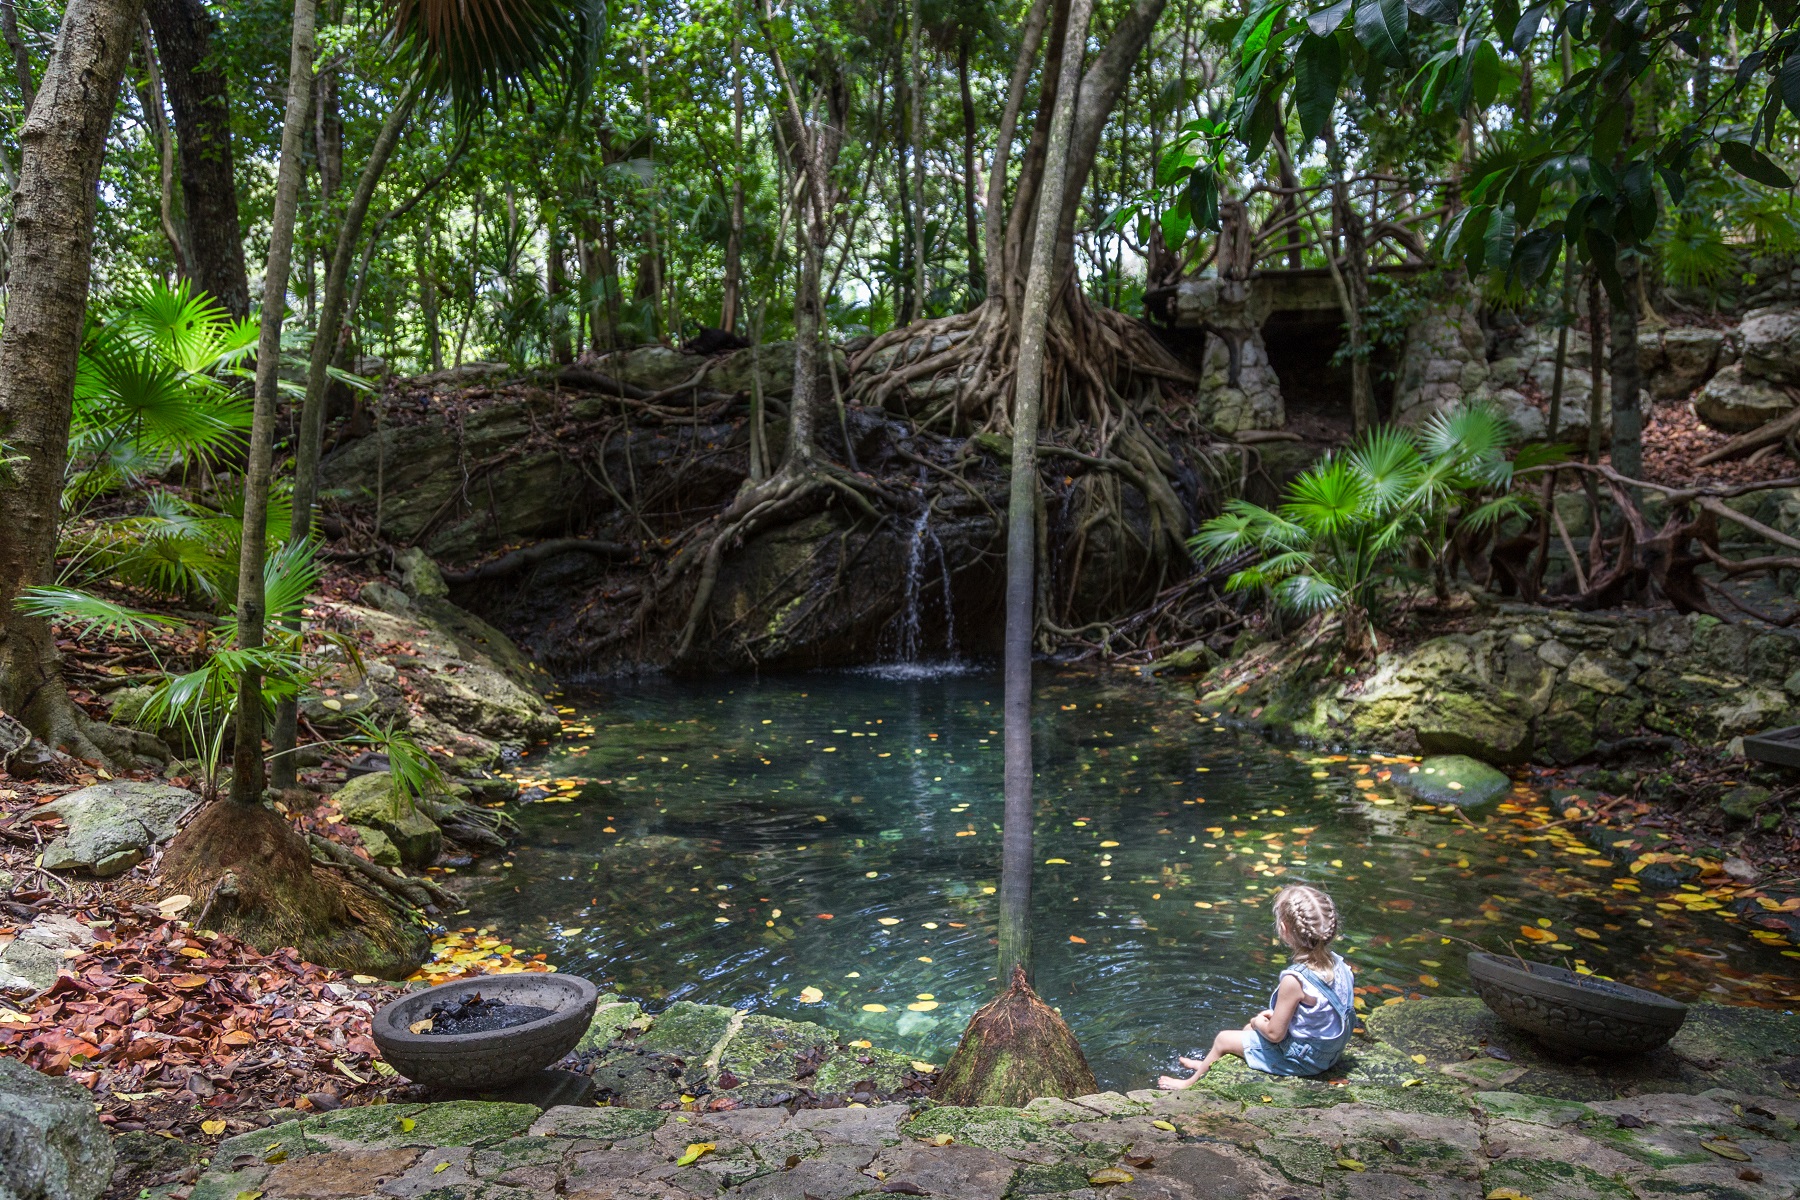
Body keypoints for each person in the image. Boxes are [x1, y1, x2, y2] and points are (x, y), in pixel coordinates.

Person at [1158, 884, 1354, 1089]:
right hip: (1330, 1052)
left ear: (1284, 930)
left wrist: (1259, 1021)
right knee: (1246, 1031)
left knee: (1224, 1038)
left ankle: (1188, 1084)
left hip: (1306, 1061)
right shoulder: (1339, 965)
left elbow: (1274, 1035)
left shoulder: (1295, 980)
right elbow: (1322, 1013)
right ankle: (1207, 1064)